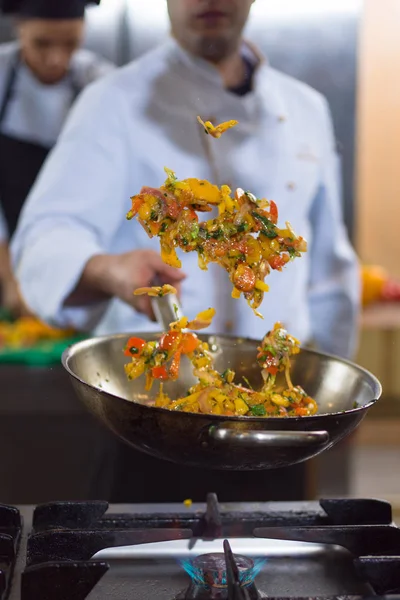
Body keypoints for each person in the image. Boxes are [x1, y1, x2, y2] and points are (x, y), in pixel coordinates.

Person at [11, 0, 361, 502]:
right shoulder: (112, 101)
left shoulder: (306, 107)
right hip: (154, 422)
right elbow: (47, 234)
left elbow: (329, 271)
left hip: (279, 420)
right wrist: (109, 269)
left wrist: (335, 410)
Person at [0, 0, 113, 316]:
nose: (56, 58)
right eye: (42, 43)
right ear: (18, 27)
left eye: (71, 44)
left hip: (79, 259)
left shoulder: (101, 83)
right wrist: (10, 278)